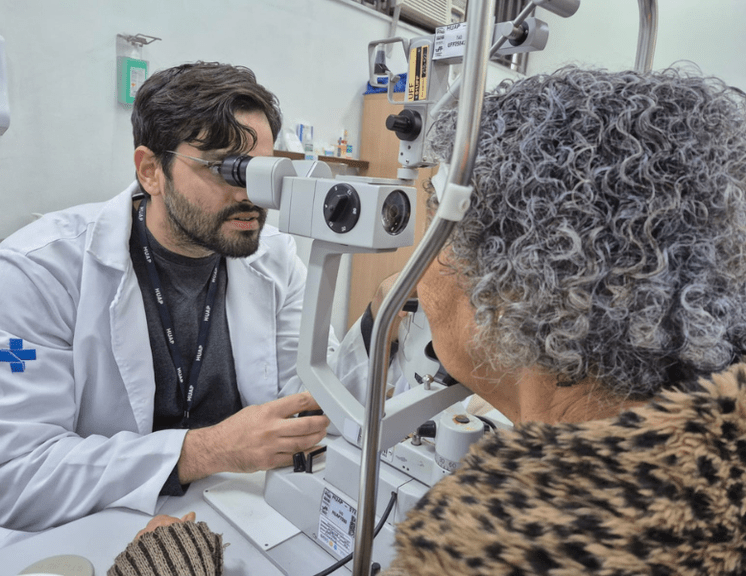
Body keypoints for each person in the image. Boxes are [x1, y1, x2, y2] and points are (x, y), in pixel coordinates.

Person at [113, 65, 746, 575]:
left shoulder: (490, 540)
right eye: (226, 168)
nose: (417, 263)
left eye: (435, 230)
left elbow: (316, 407)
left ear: (512, 281)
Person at [0, 62, 372, 555]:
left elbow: (310, 401)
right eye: (229, 169)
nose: (253, 195)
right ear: (151, 170)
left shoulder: (273, 258)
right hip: (83, 530)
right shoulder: (37, 271)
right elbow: (15, 476)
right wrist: (205, 449)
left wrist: (381, 323)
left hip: (228, 513)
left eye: (266, 170)